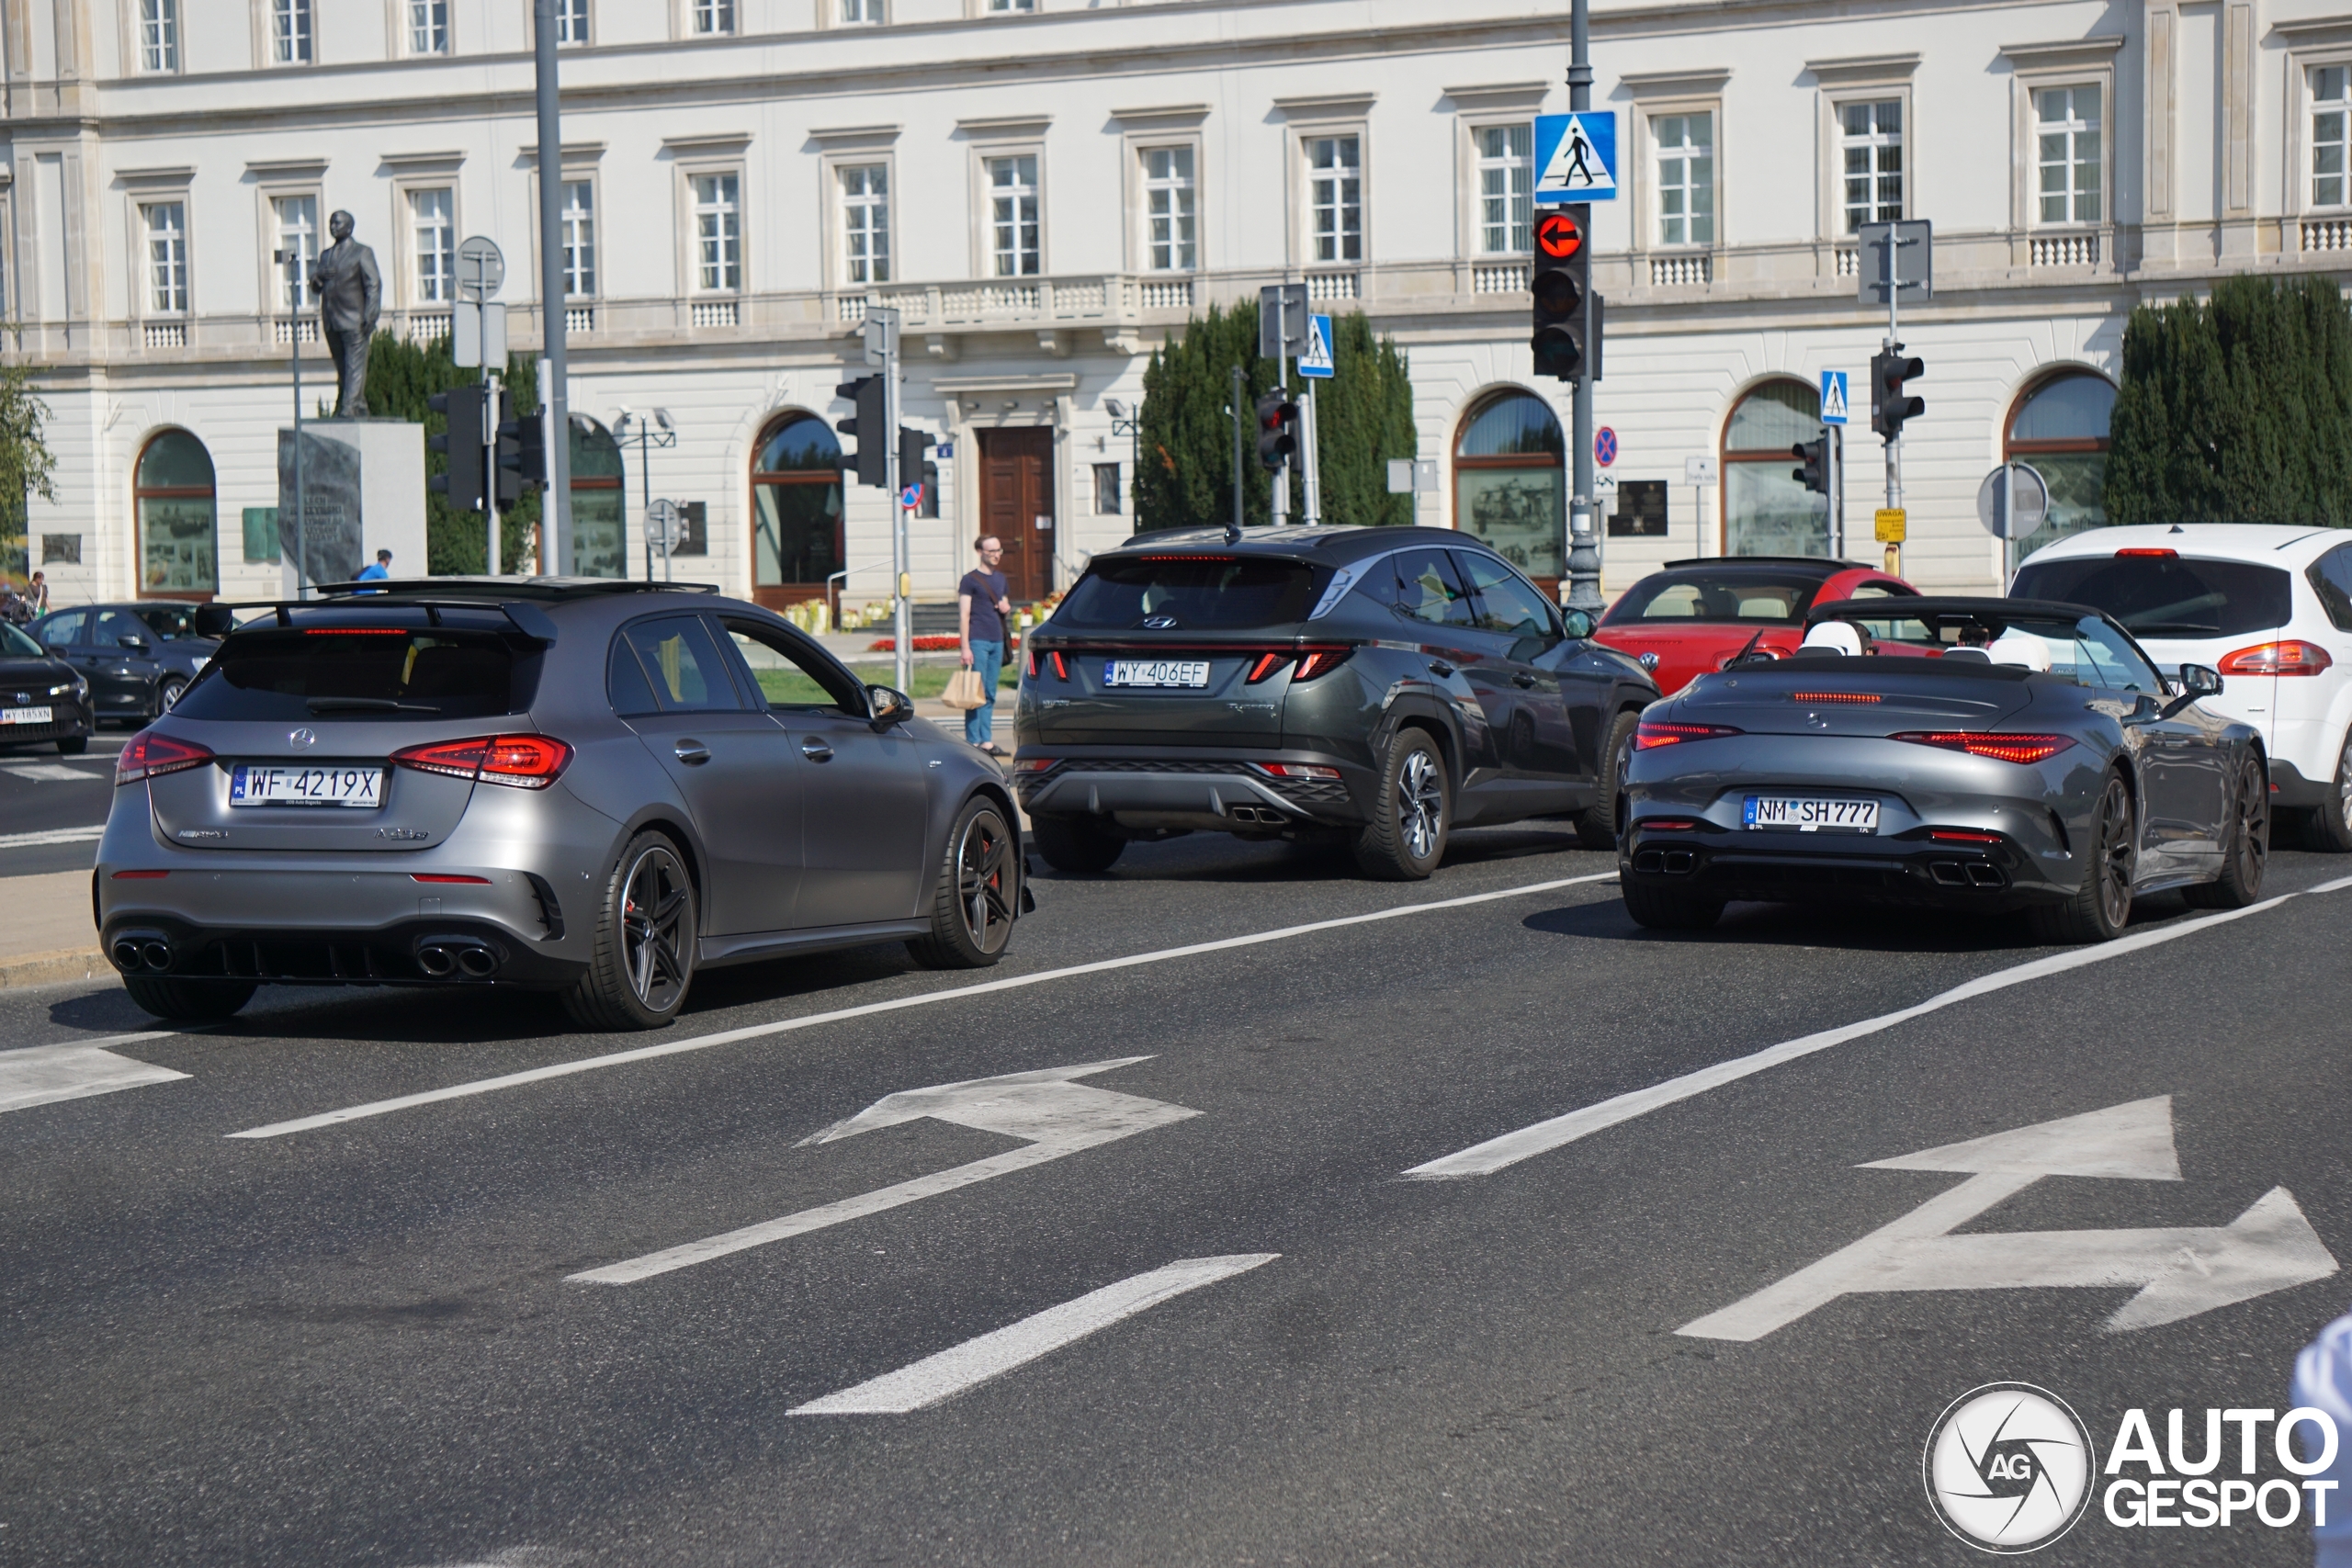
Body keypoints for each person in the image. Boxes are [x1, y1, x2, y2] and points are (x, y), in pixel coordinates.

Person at [958, 536, 1012, 755]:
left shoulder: (1000, 579)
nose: (996, 554)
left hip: (997, 640)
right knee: (974, 693)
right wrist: (965, 647)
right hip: (977, 640)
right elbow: (964, 614)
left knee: (990, 692)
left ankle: (987, 741)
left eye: (999, 550)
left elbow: (1004, 601)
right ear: (980, 552)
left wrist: (1005, 605)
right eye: (991, 551)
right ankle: (973, 741)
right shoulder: (969, 580)